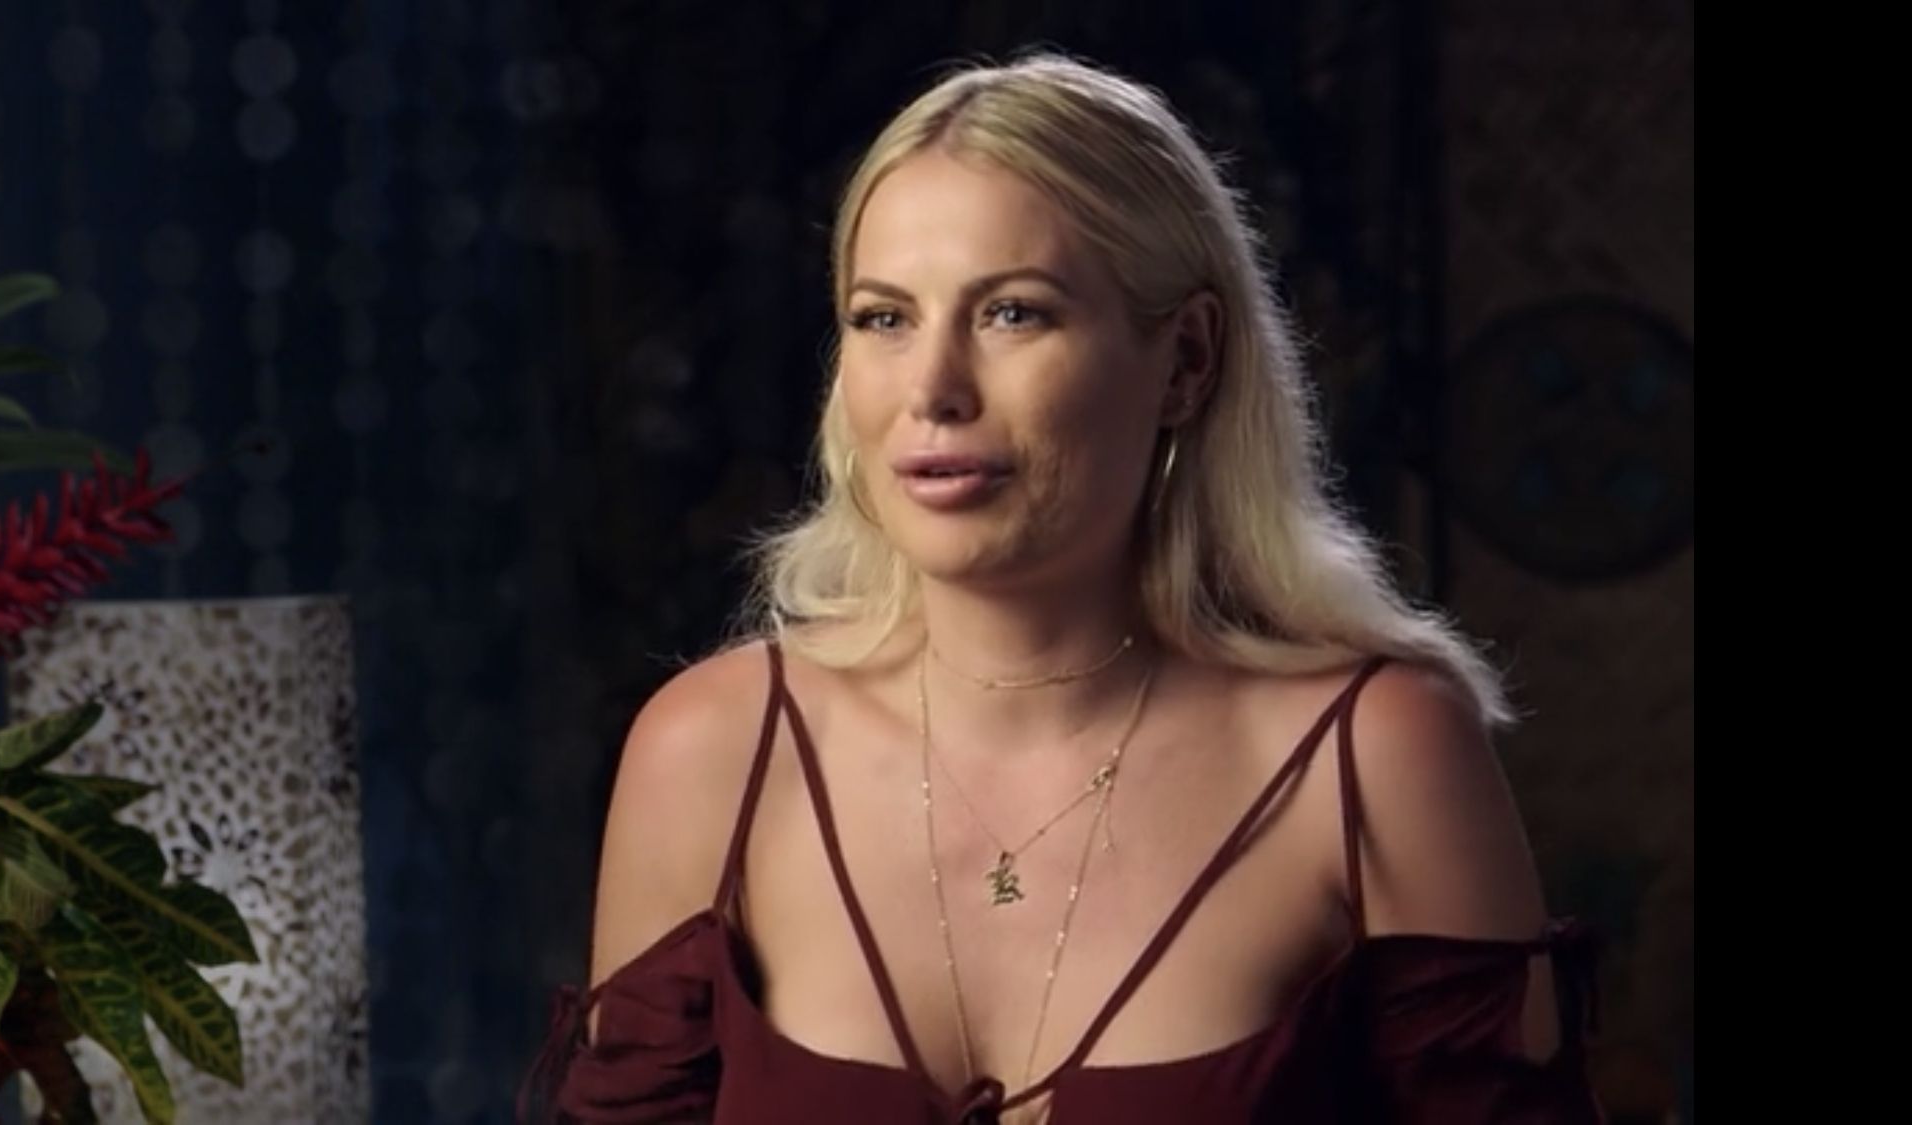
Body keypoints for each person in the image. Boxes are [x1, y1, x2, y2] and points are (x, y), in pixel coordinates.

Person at [522, 51, 1602, 1124]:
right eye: (884, 318)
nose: (933, 390)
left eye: (1013, 313)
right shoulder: (715, 755)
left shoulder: (1372, 755)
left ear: (1187, 360)